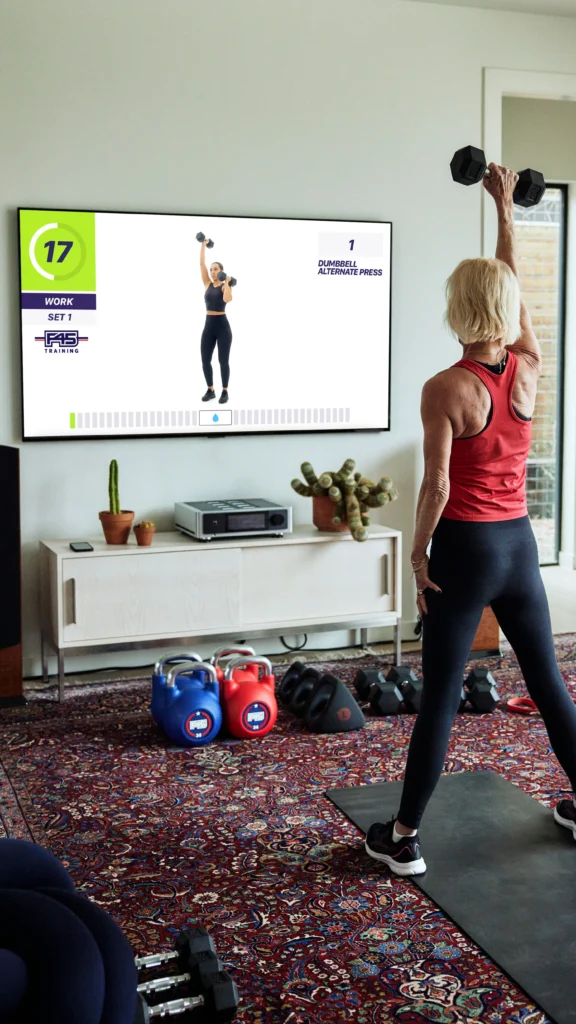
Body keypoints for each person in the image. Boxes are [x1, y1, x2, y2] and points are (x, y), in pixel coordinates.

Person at [365, 164, 576, 876]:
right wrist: (507, 217)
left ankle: (402, 836)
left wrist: (419, 557)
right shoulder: (529, 368)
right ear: (511, 311)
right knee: (549, 684)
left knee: (441, 698)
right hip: (521, 545)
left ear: (457, 310)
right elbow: (515, 305)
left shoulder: (444, 388)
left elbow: (436, 486)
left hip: (467, 547)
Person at [199, 237, 234, 404]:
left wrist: (227, 282)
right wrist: (203, 245)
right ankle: (210, 389)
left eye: (215, 270)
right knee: (205, 359)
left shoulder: (224, 285)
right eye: (211, 269)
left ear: (221, 272)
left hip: (222, 327)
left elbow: (228, 299)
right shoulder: (207, 284)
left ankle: (225, 391)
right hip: (208, 326)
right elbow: (201, 265)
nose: (212, 272)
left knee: (223, 360)